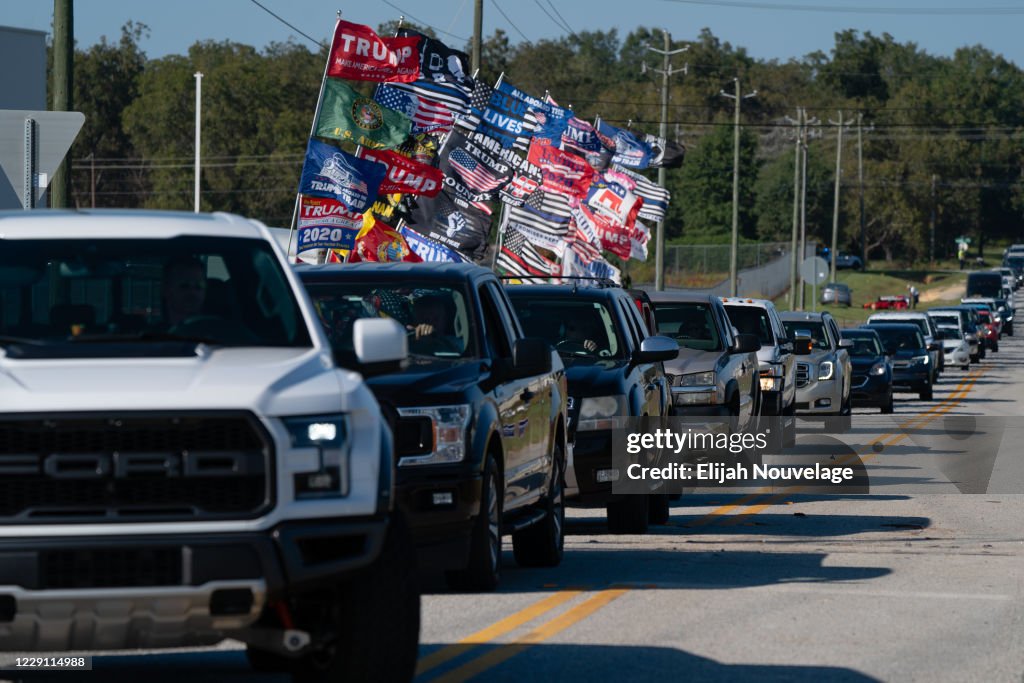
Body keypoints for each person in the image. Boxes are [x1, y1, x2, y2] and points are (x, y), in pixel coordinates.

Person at [161, 256, 207, 327]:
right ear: (166, 290)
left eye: (199, 287)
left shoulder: (218, 332)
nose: (193, 292)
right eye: (184, 286)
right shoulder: (152, 336)